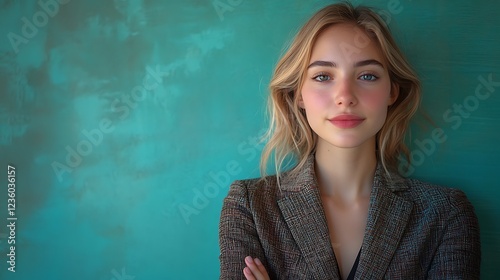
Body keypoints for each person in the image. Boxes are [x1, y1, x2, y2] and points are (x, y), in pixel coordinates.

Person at [218, 2, 481, 279]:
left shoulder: (445, 214)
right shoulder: (249, 206)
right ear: (298, 94)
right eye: (323, 76)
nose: (345, 96)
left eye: (367, 76)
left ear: (392, 92)